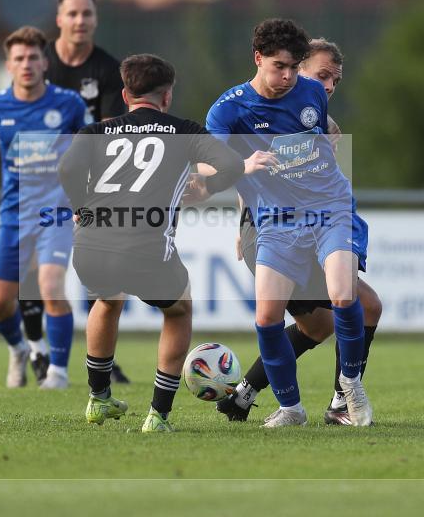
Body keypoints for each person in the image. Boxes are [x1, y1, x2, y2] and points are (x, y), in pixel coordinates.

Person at [58, 53, 271, 432]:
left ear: (125, 95)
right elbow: (232, 165)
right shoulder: (183, 131)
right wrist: (206, 186)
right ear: (167, 96)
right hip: (145, 249)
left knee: (106, 301)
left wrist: (79, 207)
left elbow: (67, 167)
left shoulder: (95, 132)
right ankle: (158, 415)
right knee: (178, 310)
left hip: (89, 247)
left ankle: (99, 399)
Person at [202, 19, 373, 427]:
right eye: (280, 66)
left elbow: (317, 137)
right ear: (257, 58)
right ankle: (292, 409)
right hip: (276, 221)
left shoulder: (311, 92)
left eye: (295, 67)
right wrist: (243, 166)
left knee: (344, 295)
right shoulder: (228, 110)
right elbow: (210, 167)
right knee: (266, 318)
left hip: (330, 209)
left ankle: (349, 387)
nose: (289, 76)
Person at [0, 26, 88, 390]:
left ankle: (57, 372)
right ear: (8, 65)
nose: (26, 64)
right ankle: (20, 349)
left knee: (50, 285)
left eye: (32, 57)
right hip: (14, 215)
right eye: (19, 59)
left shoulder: (69, 104)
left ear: (45, 62)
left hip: (56, 212)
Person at [19, 0, 130, 384]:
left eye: (87, 14)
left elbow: (114, 133)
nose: (81, 21)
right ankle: (36, 348)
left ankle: (101, 356)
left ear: (95, 20)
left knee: (95, 270)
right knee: (34, 273)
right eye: (73, 14)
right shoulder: (38, 61)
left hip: (91, 185)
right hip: (40, 183)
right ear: (59, 18)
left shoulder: (108, 70)